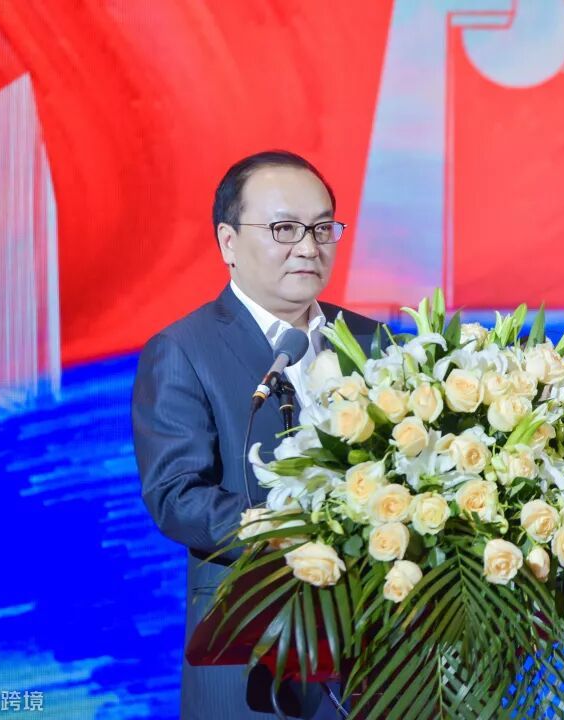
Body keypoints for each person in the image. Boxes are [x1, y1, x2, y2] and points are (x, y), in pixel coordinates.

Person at [132, 150, 381, 719]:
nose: (309, 247)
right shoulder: (184, 350)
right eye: (284, 229)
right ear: (228, 241)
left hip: (375, 656)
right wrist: (289, 531)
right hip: (250, 649)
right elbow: (175, 495)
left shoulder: (372, 342)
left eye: (322, 228)